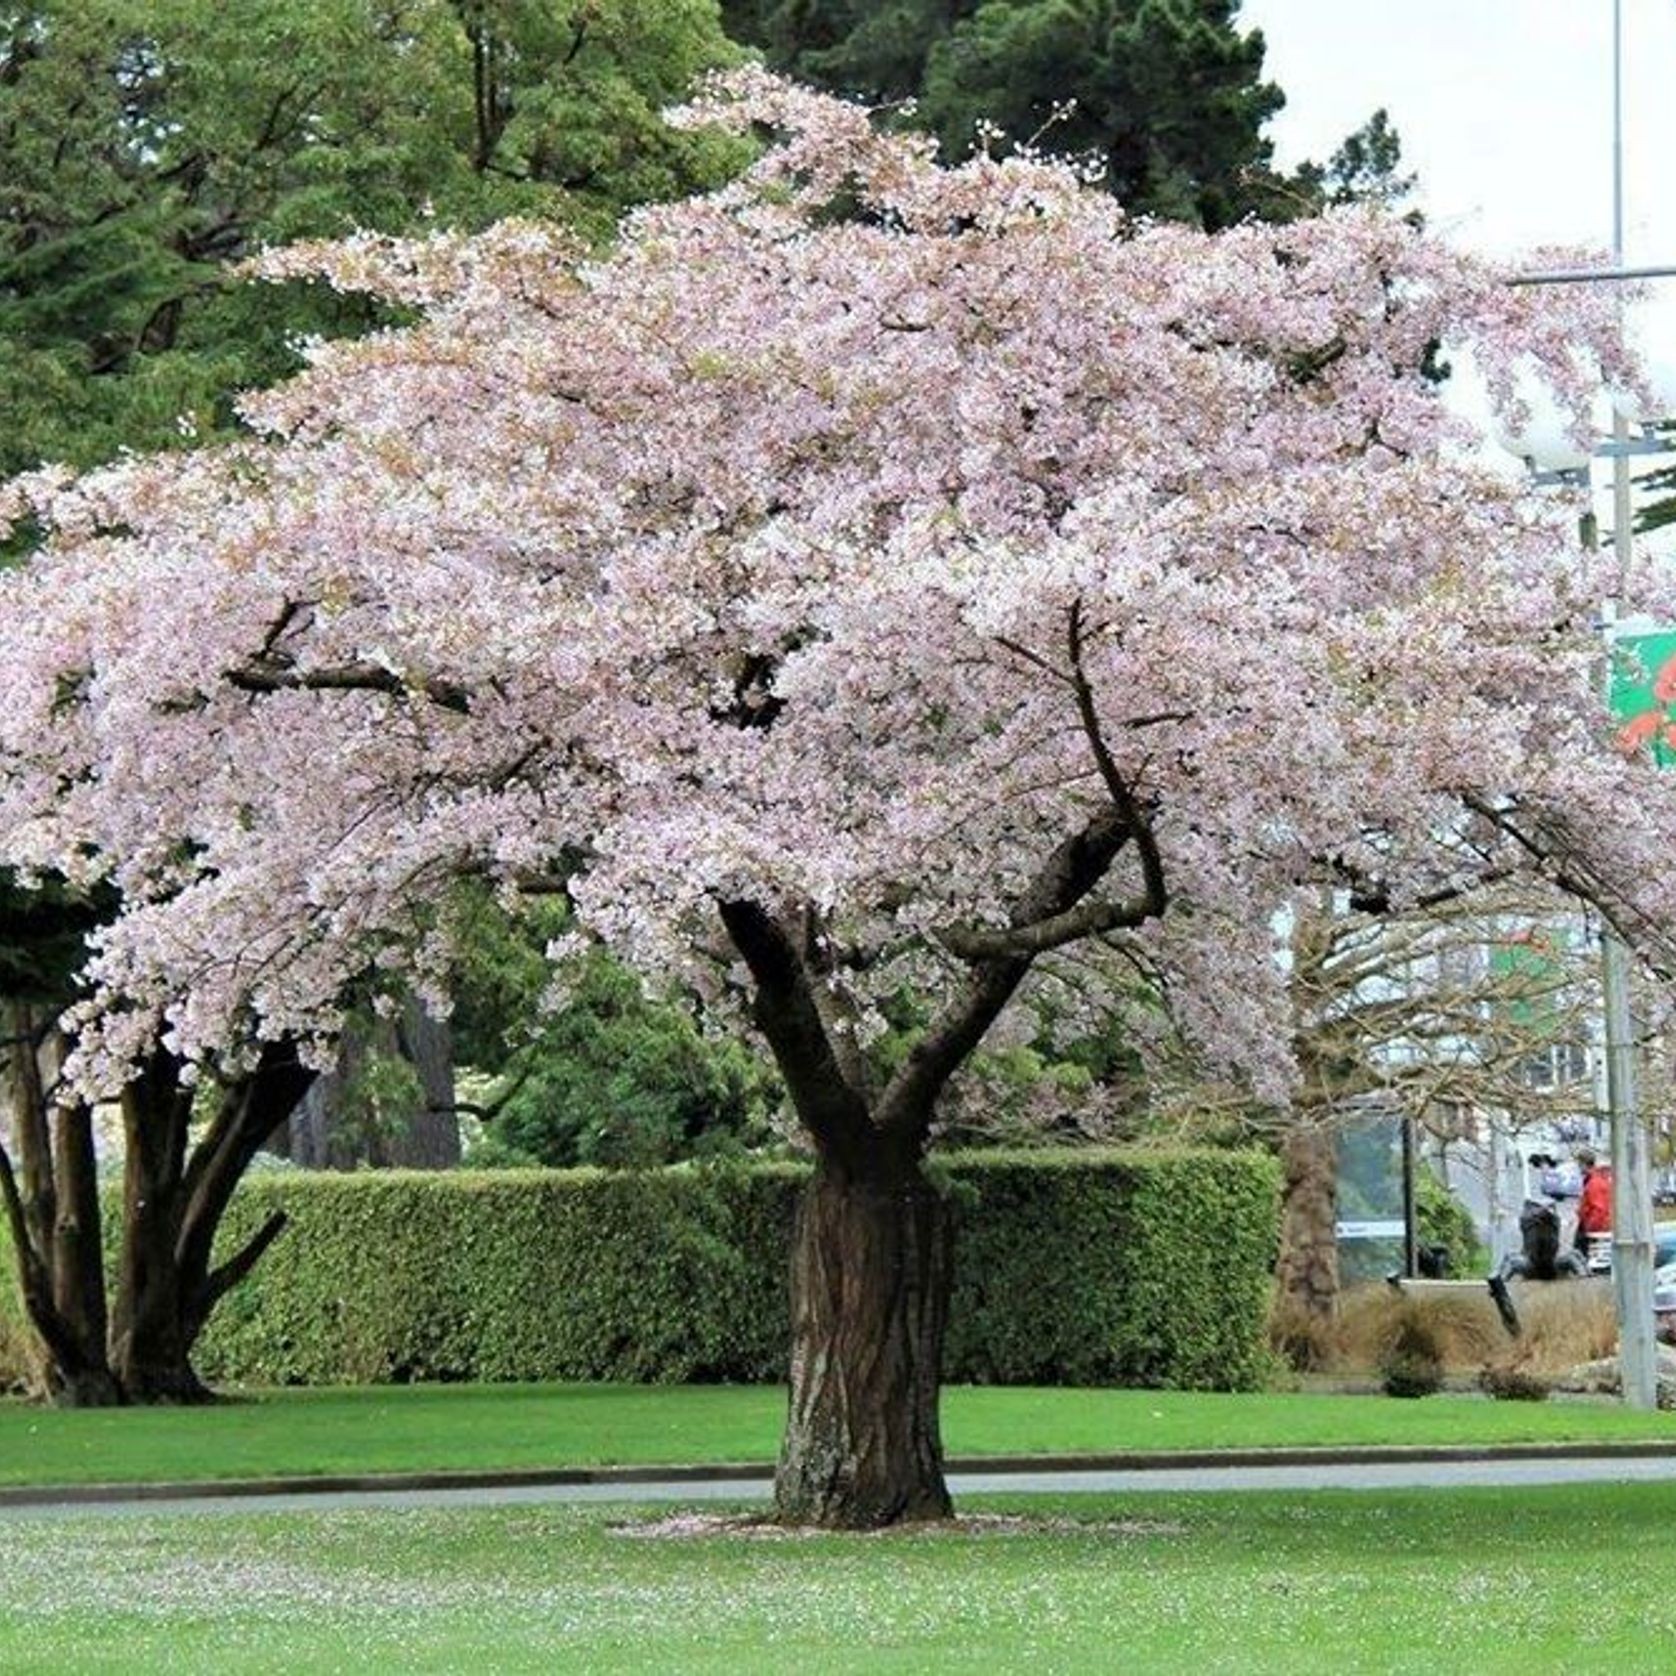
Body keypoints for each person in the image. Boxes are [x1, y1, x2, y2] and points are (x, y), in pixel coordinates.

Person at [1574, 1147, 1613, 1263]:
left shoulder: (1594, 1183)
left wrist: (1589, 1229)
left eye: (1579, 1164)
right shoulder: (1597, 1180)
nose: (1578, 1167)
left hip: (1593, 1231)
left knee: (1583, 1261)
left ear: (1584, 1164)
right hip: (1595, 1229)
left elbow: (1599, 1210)